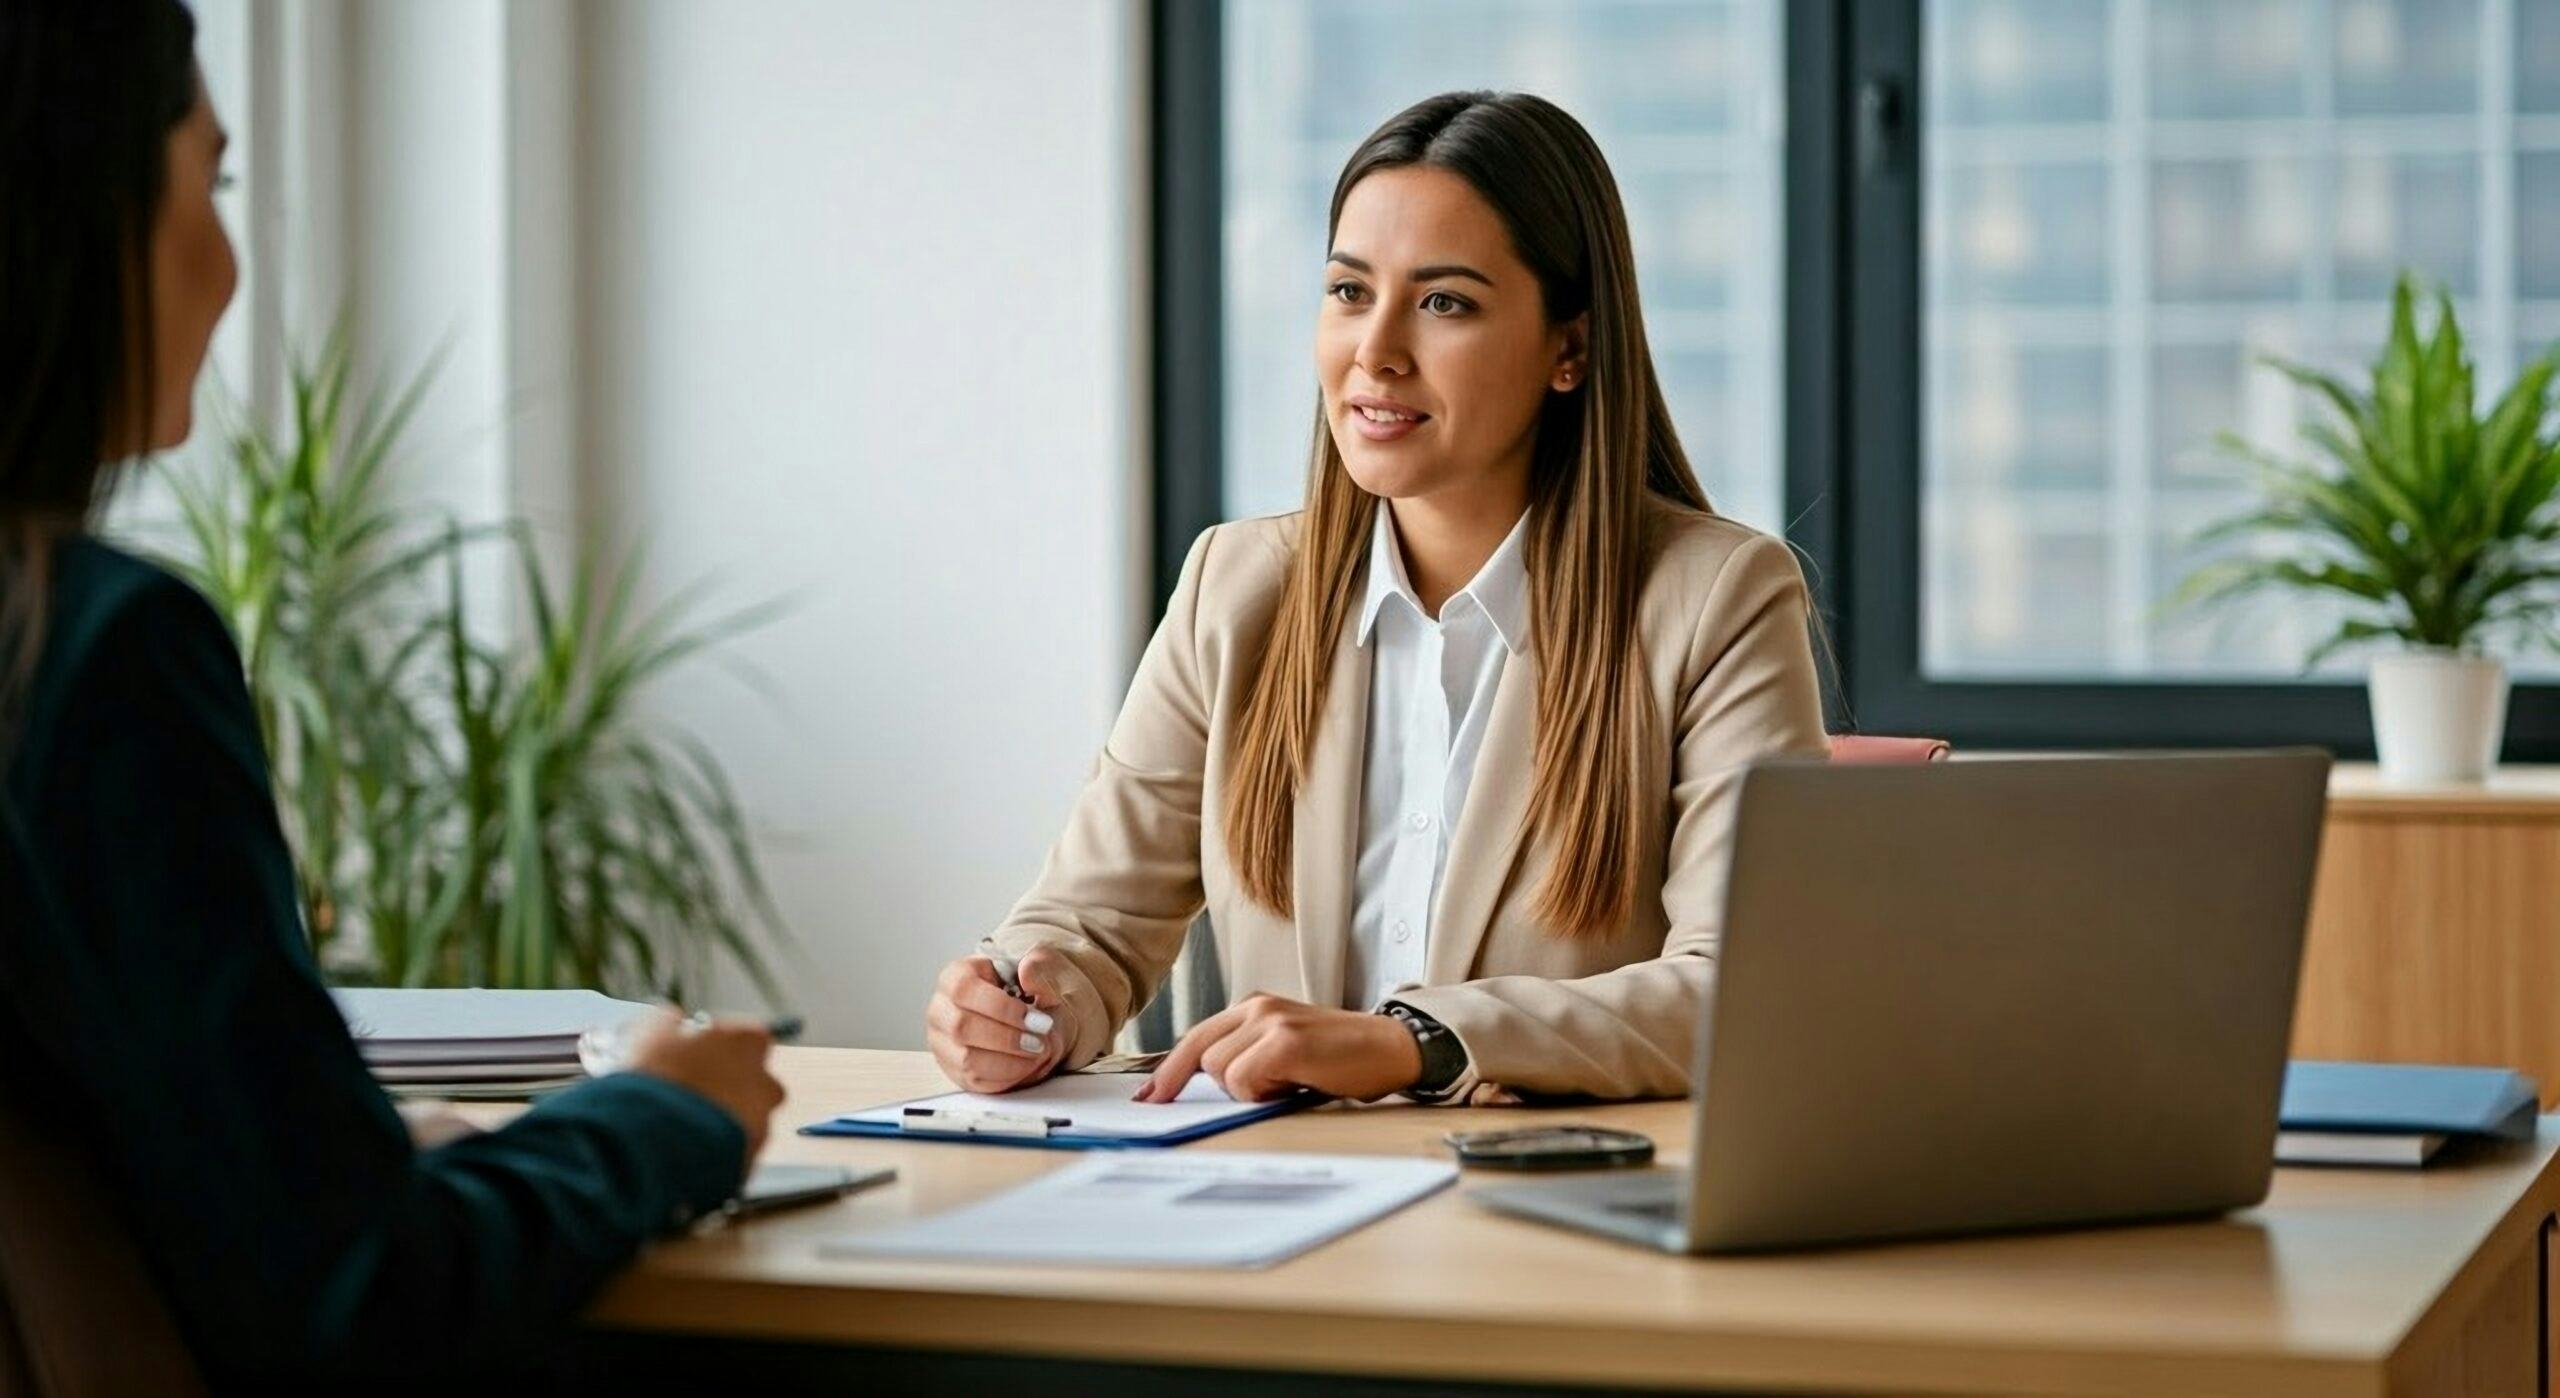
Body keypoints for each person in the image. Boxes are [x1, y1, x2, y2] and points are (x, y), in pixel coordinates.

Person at [0, 2, 784, 1388]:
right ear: (80, 208)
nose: (229, 261)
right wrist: (666, 1113)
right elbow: (361, 1294)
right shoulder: (87, 654)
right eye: (211, 182)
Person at [925, 91, 1827, 1107]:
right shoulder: (1237, 588)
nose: (1376, 350)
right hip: (1262, 1212)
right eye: (1350, 292)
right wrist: (1022, 1004)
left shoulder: (1715, 599)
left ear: (1568, 347)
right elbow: (1086, 927)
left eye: (1444, 303)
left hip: (1546, 1219)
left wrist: (1417, 1043)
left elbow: (1739, 991)